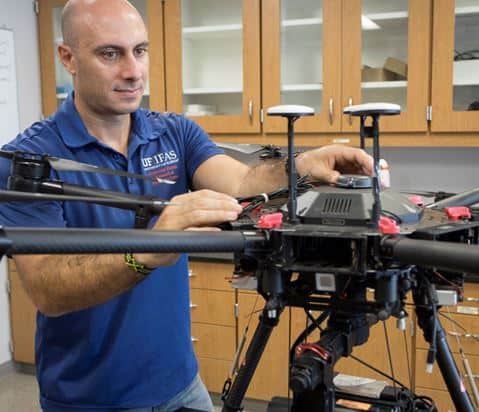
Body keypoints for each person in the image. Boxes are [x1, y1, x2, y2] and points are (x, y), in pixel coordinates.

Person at [0, 0, 373, 411]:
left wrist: (302, 164)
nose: (133, 71)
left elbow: (242, 181)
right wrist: (149, 248)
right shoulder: (26, 162)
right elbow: (49, 290)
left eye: (139, 50)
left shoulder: (174, 133)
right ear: (67, 57)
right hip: (90, 398)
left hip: (182, 385)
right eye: (110, 53)